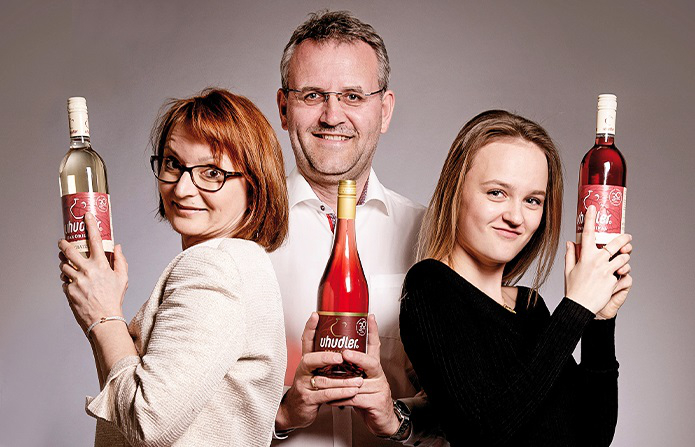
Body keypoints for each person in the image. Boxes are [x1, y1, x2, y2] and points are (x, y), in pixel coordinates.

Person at [58, 88, 288, 446]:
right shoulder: (243, 261)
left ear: (254, 187)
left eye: (212, 172)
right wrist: (100, 316)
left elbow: (149, 422)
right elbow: (131, 407)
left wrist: (103, 317)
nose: (181, 189)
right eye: (173, 164)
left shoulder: (213, 267)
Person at [399, 110, 634, 446]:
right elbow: (483, 433)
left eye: (532, 200)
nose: (515, 217)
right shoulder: (430, 286)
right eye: (497, 192)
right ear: (456, 190)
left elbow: (592, 437)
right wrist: (575, 307)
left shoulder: (529, 307)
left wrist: (598, 320)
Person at [269, 10, 445, 447]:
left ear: (384, 111)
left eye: (352, 95)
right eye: (313, 95)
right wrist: (281, 413)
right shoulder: (242, 234)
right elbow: (205, 397)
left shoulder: (432, 235)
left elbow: (463, 402)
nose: (332, 115)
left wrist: (398, 418)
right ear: (284, 109)